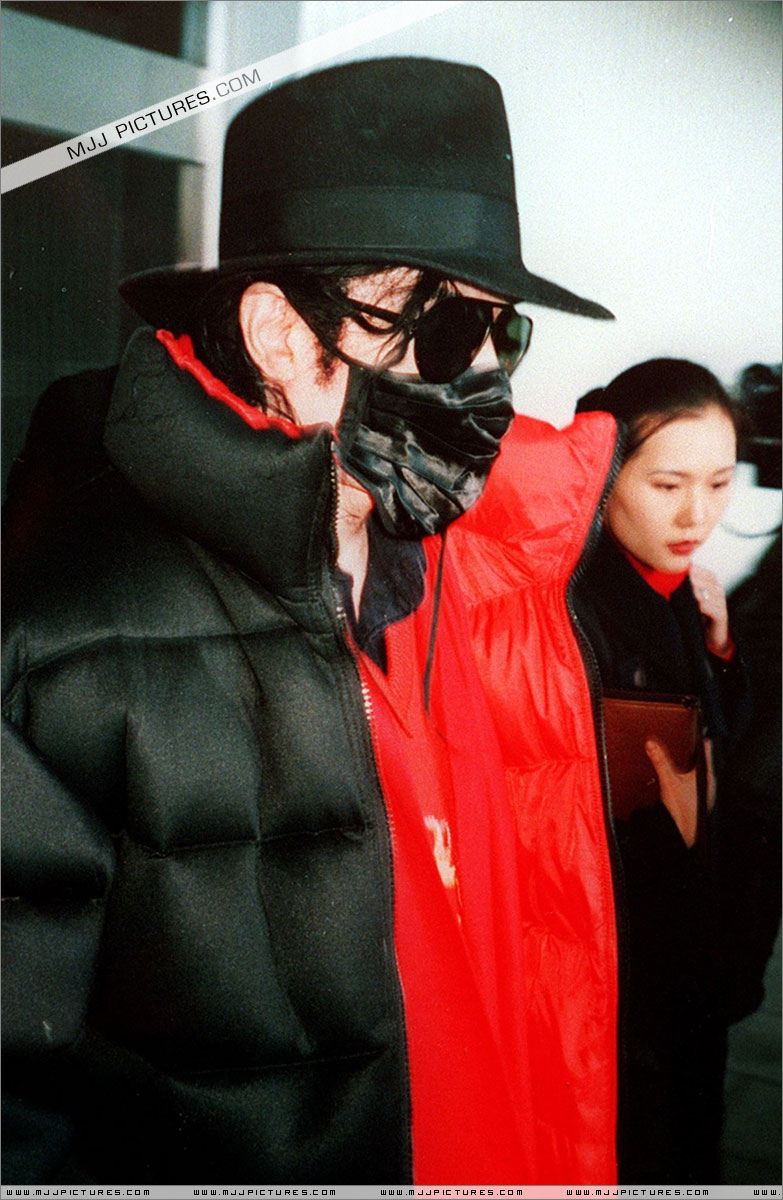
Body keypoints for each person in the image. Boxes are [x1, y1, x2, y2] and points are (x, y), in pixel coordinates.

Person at [2, 58, 620, 1185]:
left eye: (505, 334)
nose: (488, 378)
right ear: (282, 336)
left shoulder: (481, 585)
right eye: (446, 331)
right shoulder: (67, 651)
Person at [572, 359, 752, 1183]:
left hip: (688, 973)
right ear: (604, 470)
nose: (696, 515)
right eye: (667, 485)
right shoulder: (577, 608)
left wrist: (719, 656)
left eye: (718, 483)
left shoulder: (679, 589)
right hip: (623, 983)